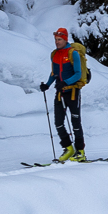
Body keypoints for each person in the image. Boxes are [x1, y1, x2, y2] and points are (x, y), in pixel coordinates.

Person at [41, 27, 91, 160]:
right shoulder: (54, 54)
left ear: (65, 39)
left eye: (59, 40)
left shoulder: (72, 53)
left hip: (73, 91)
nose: (57, 42)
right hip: (60, 93)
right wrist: (47, 84)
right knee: (58, 122)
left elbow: (78, 74)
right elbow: (54, 73)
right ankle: (68, 148)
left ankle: (80, 151)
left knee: (75, 122)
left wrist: (66, 82)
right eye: (56, 40)